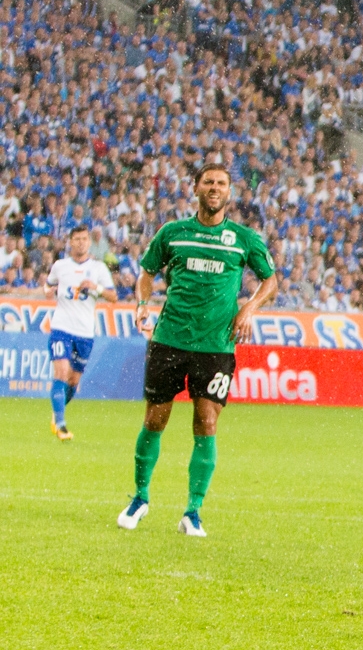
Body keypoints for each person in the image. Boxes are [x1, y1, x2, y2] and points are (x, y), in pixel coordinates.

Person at [118, 164, 278, 538]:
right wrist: (143, 304)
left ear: (229, 193)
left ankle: (193, 510)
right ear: (195, 188)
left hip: (216, 346)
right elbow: (146, 271)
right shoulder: (173, 233)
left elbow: (270, 281)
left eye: (221, 183)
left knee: (206, 422)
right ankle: (140, 498)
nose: (214, 188)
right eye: (208, 182)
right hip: (170, 339)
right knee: (155, 419)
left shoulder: (243, 239)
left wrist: (249, 307)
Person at [41, 225, 114, 440]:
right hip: (61, 328)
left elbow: (113, 296)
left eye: (84, 239)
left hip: (85, 333)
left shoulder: (99, 268)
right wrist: (48, 291)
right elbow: (47, 286)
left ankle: (57, 413)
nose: (81, 242)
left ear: (89, 242)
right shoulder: (60, 266)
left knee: (72, 381)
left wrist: (96, 288)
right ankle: (61, 425)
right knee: (61, 373)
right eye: (77, 239)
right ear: (70, 242)